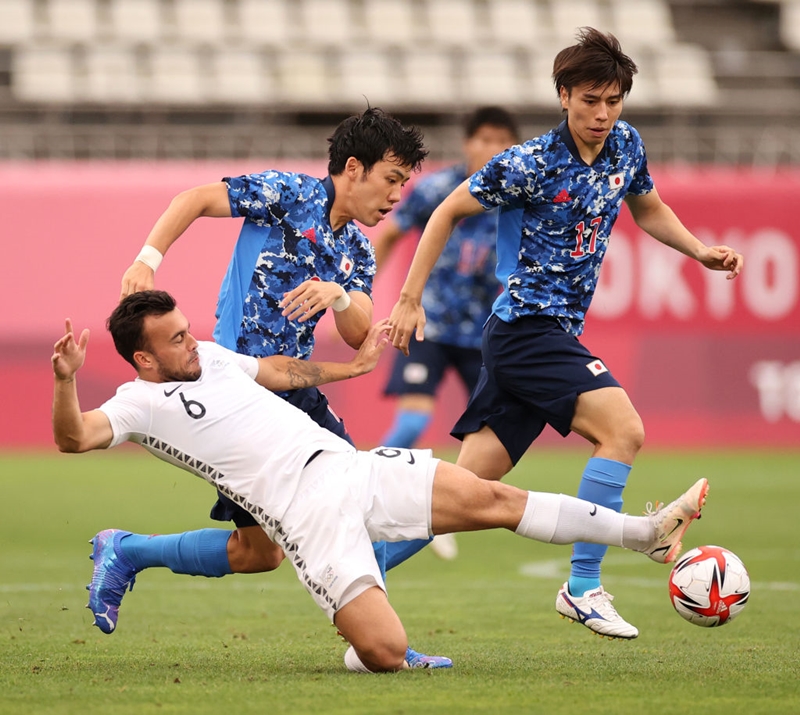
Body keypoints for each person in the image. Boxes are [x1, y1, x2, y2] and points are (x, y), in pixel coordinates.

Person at [52, 291, 709, 672]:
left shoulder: (215, 358)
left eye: (187, 330)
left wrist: (353, 366)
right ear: (144, 357)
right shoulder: (135, 403)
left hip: (353, 466)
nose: (192, 343)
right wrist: (64, 380)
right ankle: (367, 640)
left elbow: (279, 372)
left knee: (493, 498)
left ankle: (644, 533)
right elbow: (73, 437)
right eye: (175, 339)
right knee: (385, 652)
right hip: (306, 519)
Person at [387, 28, 743, 641]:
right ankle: (582, 585)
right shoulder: (529, 163)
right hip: (527, 330)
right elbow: (446, 211)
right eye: (589, 101)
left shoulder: (626, 146)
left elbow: (647, 206)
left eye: (613, 101)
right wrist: (409, 297)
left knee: (462, 496)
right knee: (623, 429)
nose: (602, 115)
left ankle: (354, 569)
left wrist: (698, 252)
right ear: (562, 96)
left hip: (535, 334)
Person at [107, 107, 444, 665]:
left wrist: (337, 295)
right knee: (257, 552)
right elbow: (192, 199)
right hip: (236, 397)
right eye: (391, 180)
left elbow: (360, 328)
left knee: (355, 502)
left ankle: (375, 642)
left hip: (295, 394)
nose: (396, 196)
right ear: (353, 169)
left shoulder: (356, 249)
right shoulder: (286, 194)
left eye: (404, 184)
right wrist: (146, 261)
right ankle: (127, 550)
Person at [373, 107, 519, 560]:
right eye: (484, 139)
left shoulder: (519, 199)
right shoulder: (437, 190)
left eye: (502, 141)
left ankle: (436, 506)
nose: (492, 149)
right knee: (414, 421)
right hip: (428, 325)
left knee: (488, 443)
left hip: (485, 334)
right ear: (467, 143)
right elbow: (390, 234)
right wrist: (366, 294)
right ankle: (360, 497)